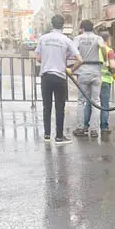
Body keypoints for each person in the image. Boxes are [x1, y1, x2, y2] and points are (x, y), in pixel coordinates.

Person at [35, 15, 82, 145]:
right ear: (62, 25)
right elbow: (80, 59)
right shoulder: (66, 40)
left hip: (46, 75)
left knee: (47, 106)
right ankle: (59, 137)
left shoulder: (43, 39)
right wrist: (71, 70)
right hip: (60, 76)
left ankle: (47, 135)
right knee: (59, 107)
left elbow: (38, 58)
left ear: (52, 24)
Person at [72, 20, 105, 138]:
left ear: (82, 28)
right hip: (96, 72)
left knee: (81, 101)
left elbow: (73, 52)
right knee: (96, 101)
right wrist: (104, 59)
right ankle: (94, 130)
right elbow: (103, 48)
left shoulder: (78, 38)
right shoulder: (98, 38)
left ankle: (80, 128)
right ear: (93, 28)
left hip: (83, 72)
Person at [99, 32, 115, 133]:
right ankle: (104, 126)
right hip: (105, 81)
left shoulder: (95, 50)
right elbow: (112, 66)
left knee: (89, 103)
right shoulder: (109, 50)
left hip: (95, 79)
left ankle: (86, 126)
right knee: (104, 105)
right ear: (108, 39)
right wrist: (113, 73)